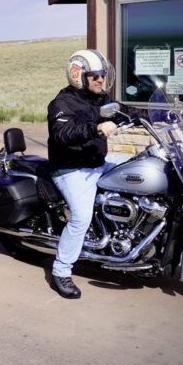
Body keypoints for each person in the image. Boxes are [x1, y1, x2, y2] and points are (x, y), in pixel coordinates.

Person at [46, 49, 128, 299]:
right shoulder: (61, 103)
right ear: (78, 76)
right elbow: (63, 135)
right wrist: (96, 128)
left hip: (97, 163)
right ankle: (61, 271)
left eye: (103, 75)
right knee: (81, 217)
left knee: (135, 168)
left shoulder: (99, 99)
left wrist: (155, 115)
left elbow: (122, 111)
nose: (101, 80)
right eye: (95, 76)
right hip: (71, 169)